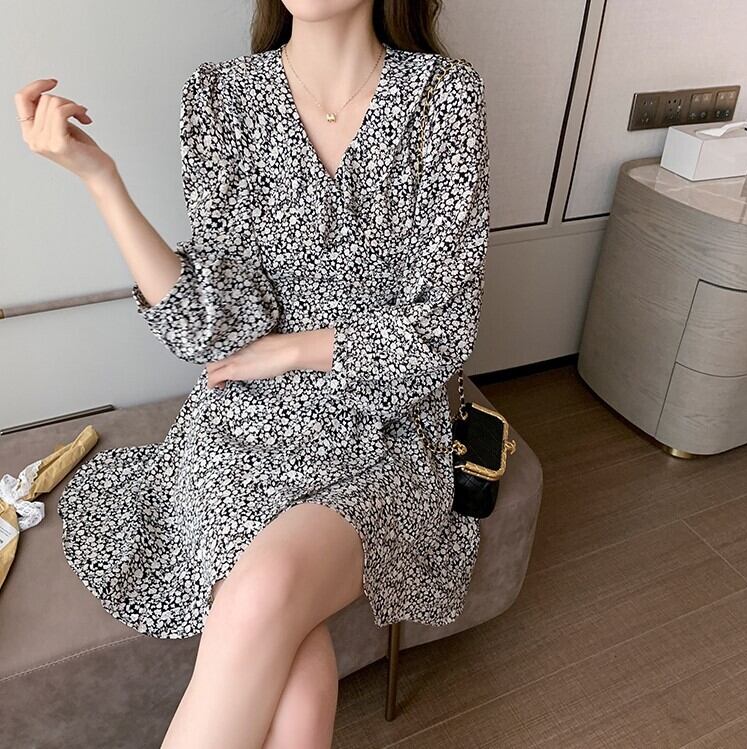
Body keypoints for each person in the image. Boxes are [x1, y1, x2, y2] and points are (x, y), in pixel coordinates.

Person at [13, 0, 490, 746]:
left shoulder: (442, 95)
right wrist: (101, 181)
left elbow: (442, 329)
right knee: (280, 631)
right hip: (246, 425)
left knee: (263, 593)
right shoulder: (221, 97)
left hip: (387, 424)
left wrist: (294, 348)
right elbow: (216, 326)